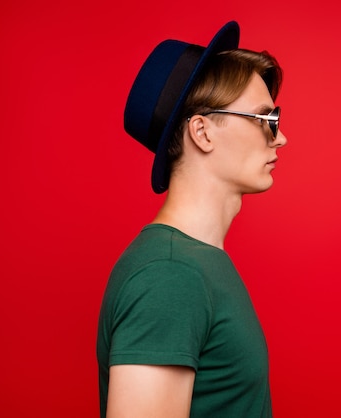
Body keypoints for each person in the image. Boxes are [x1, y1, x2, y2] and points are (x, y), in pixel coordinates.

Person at [96, 21, 287, 418]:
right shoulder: (170, 275)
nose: (280, 138)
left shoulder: (195, 264)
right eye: (264, 119)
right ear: (201, 132)